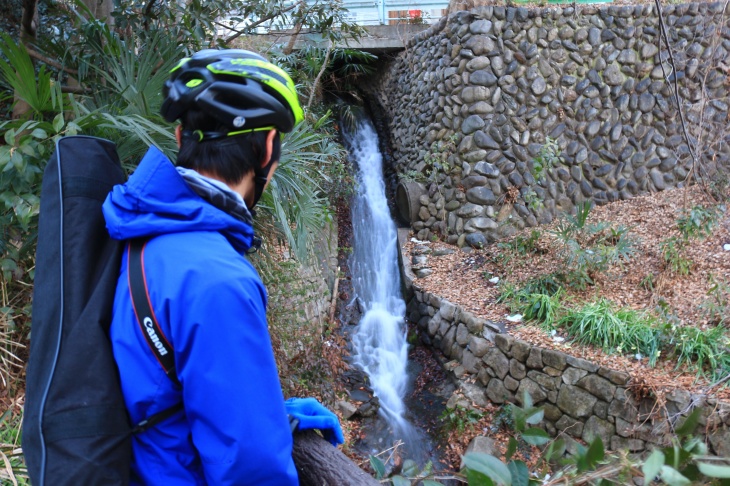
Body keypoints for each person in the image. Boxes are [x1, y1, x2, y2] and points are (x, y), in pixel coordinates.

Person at [102, 49, 344, 485]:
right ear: (268, 147)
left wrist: (266, 415)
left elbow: (159, 386)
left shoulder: (143, 235)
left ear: (180, 138)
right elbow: (251, 471)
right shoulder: (216, 278)